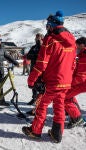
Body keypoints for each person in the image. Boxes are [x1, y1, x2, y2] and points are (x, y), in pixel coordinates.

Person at [22, 10, 76, 143]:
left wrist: (31, 80)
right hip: (66, 81)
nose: (47, 28)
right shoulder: (72, 40)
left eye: (48, 25)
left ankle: (35, 131)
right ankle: (57, 134)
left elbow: (41, 63)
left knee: (42, 105)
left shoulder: (50, 40)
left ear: (52, 25)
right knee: (59, 107)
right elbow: (73, 63)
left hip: (52, 81)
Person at [64, 37, 86, 128]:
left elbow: (81, 77)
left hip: (82, 83)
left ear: (82, 45)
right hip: (80, 83)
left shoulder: (84, 57)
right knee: (68, 95)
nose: (75, 47)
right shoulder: (82, 55)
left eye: (76, 45)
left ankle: (77, 118)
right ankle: (75, 113)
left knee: (64, 98)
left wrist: (69, 84)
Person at [26, 33, 44, 105]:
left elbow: (42, 57)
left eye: (38, 38)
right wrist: (35, 55)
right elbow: (28, 56)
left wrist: (34, 55)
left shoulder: (43, 47)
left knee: (40, 85)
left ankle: (40, 100)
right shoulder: (33, 47)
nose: (37, 40)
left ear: (42, 39)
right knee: (33, 84)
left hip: (41, 70)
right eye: (36, 38)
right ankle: (34, 98)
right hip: (33, 68)